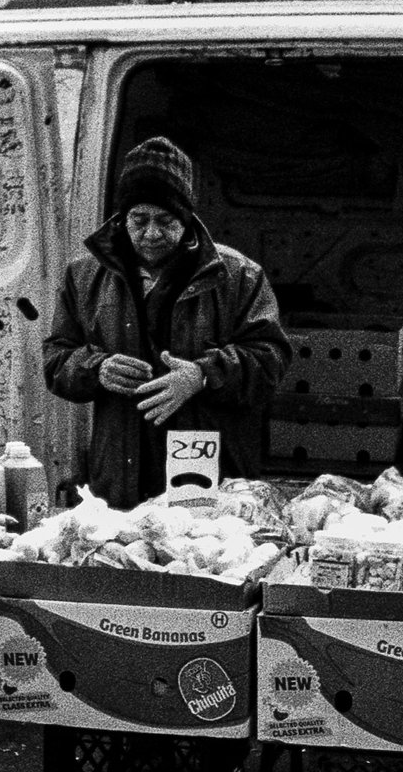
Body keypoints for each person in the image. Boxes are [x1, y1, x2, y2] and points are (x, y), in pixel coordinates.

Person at [42, 136, 289, 506]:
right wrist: (97, 368)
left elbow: (271, 358)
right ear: (121, 219)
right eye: (139, 220)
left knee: (202, 555)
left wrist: (203, 375)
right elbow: (56, 359)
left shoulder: (238, 274)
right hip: (118, 476)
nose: (152, 233)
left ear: (187, 218)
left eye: (165, 220)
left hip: (210, 475)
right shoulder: (83, 276)